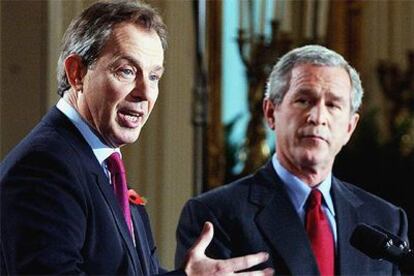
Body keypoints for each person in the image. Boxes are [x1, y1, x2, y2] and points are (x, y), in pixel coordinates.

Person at [0, 1, 274, 275]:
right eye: (127, 71)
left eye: (154, 76)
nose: (145, 92)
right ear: (77, 73)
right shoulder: (44, 168)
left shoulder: (102, 162)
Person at [175, 45, 410, 275]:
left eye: (332, 105)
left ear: (350, 126)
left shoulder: (386, 219)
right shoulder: (214, 215)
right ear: (270, 112)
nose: (318, 117)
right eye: (303, 100)